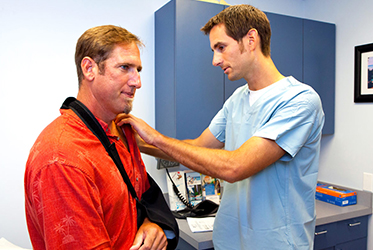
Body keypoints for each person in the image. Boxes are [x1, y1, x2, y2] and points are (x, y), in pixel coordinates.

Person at [117, 4, 325, 250]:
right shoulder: (236, 100)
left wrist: (157, 138)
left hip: (276, 242)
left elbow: (236, 166)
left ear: (250, 40)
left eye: (221, 47)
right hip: (230, 240)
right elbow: (196, 148)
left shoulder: (300, 101)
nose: (215, 60)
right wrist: (134, 140)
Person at [24, 25, 168, 250]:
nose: (137, 82)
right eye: (125, 67)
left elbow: (139, 199)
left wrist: (151, 223)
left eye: (137, 69)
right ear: (89, 69)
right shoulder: (61, 159)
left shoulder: (121, 129)